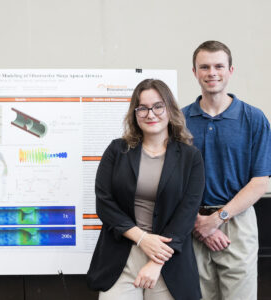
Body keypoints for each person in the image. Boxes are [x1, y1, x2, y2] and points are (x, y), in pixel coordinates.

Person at [87, 79, 205, 300]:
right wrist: (142, 238)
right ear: (134, 113)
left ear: (170, 109)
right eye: (142, 108)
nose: (151, 114)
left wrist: (156, 260)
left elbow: (187, 213)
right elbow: (104, 203)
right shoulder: (116, 150)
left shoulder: (191, 157)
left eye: (158, 106)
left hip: (167, 261)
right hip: (120, 258)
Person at [183, 40, 271, 300]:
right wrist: (200, 225)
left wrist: (216, 220)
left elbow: (259, 182)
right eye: (205, 67)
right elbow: (173, 181)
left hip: (237, 223)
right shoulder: (180, 120)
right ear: (195, 72)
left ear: (231, 70)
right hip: (192, 225)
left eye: (219, 66)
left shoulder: (254, 119)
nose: (212, 73)